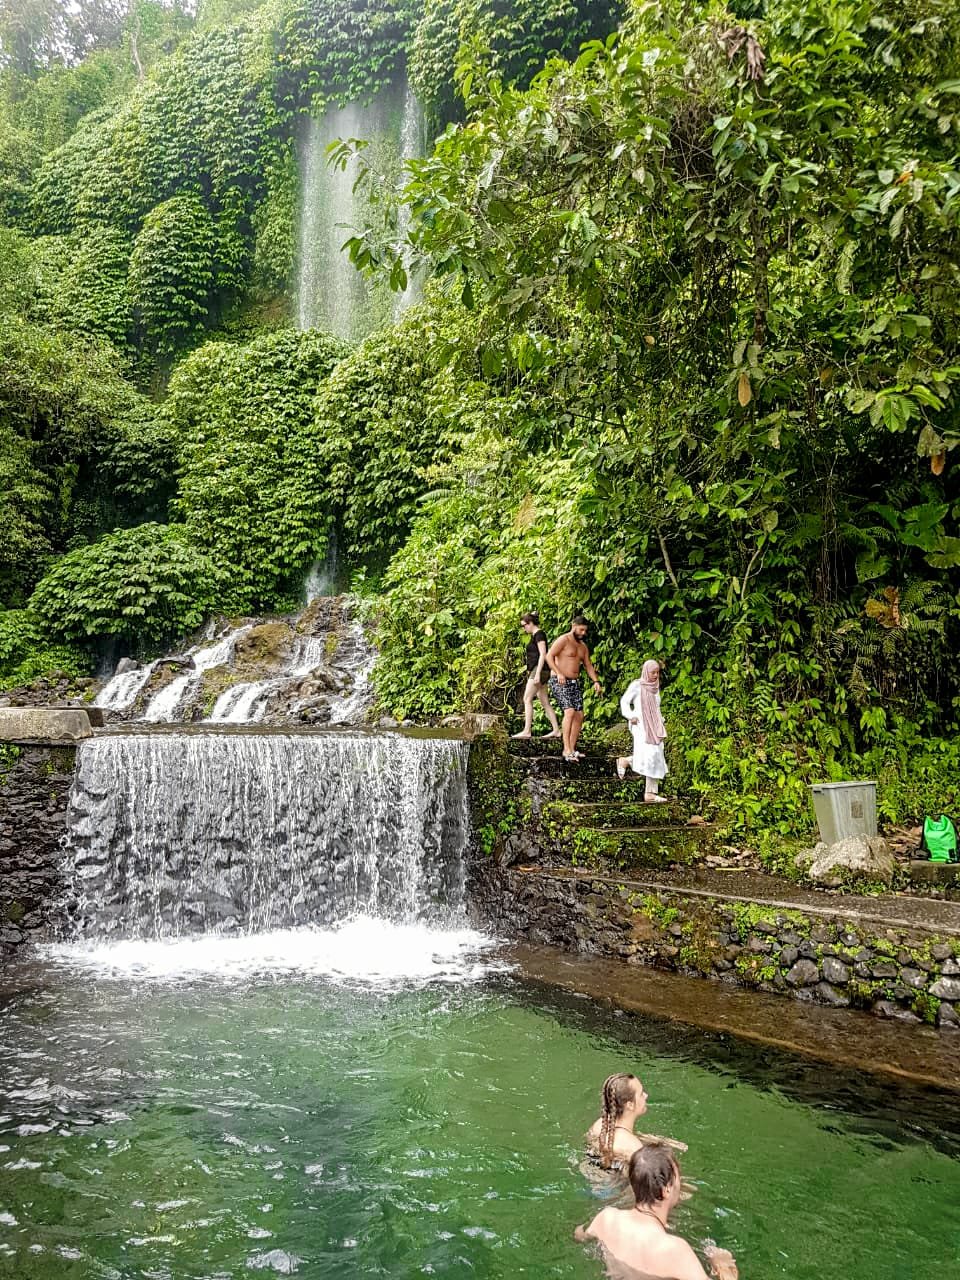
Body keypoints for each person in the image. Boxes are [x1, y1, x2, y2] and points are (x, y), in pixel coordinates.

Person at [575, 1145, 739, 1280]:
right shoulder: (675, 1249)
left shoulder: (607, 1218)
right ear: (666, 1190)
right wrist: (722, 1265)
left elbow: (579, 1236)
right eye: (678, 1179)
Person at [585, 1073, 687, 1174]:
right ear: (630, 1105)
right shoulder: (635, 1148)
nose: (646, 1096)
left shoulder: (599, 1125)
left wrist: (662, 1141)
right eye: (641, 1093)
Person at [546, 614, 602, 763]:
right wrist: (558, 673)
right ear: (574, 626)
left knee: (579, 715)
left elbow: (588, 665)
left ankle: (572, 748)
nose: (583, 633)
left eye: (585, 631)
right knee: (569, 711)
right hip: (559, 681)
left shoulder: (583, 647)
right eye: (581, 630)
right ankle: (566, 749)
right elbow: (549, 656)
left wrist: (595, 681)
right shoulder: (563, 640)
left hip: (574, 683)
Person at [616, 660, 669, 802]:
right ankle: (626, 762)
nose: (656, 675)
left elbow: (656, 707)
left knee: (657, 754)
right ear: (646, 671)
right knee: (649, 753)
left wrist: (660, 721)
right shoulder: (637, 685)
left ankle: (650, 793)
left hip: (654, 725)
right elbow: (624, 701)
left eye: (657, 672)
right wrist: (630, 715)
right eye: (653, 672)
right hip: (639, 724)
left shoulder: (655, 688)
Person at [511, 612, 562, 739]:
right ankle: (556, 730)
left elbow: (543, 654)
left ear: (531, 623)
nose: (524, 628)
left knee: (527, 699)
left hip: (540, 670)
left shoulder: (539, 634)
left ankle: (527, 730)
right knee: (544, 701)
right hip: (540, 670)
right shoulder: (535, 635)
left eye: (524, 625)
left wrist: (537, 673)